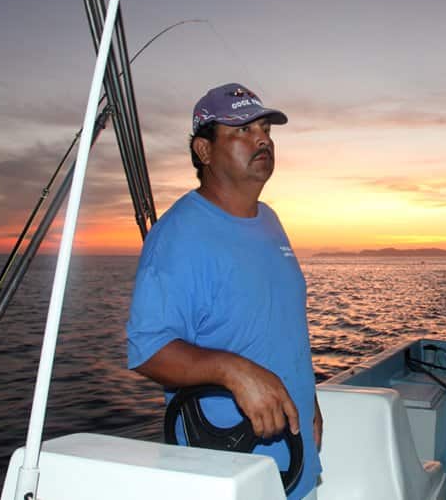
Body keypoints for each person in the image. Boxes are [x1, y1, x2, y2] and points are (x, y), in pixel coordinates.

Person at [126, 82, 322, 499]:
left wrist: (311, 404)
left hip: (294, 463)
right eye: (243, 131)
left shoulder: (269, 220)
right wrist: (234, 371)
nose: (262, 139)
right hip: (229, 472)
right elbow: (148, 350)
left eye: (265, 128)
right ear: (204, 151)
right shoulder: (178, 237)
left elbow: (281, 329)